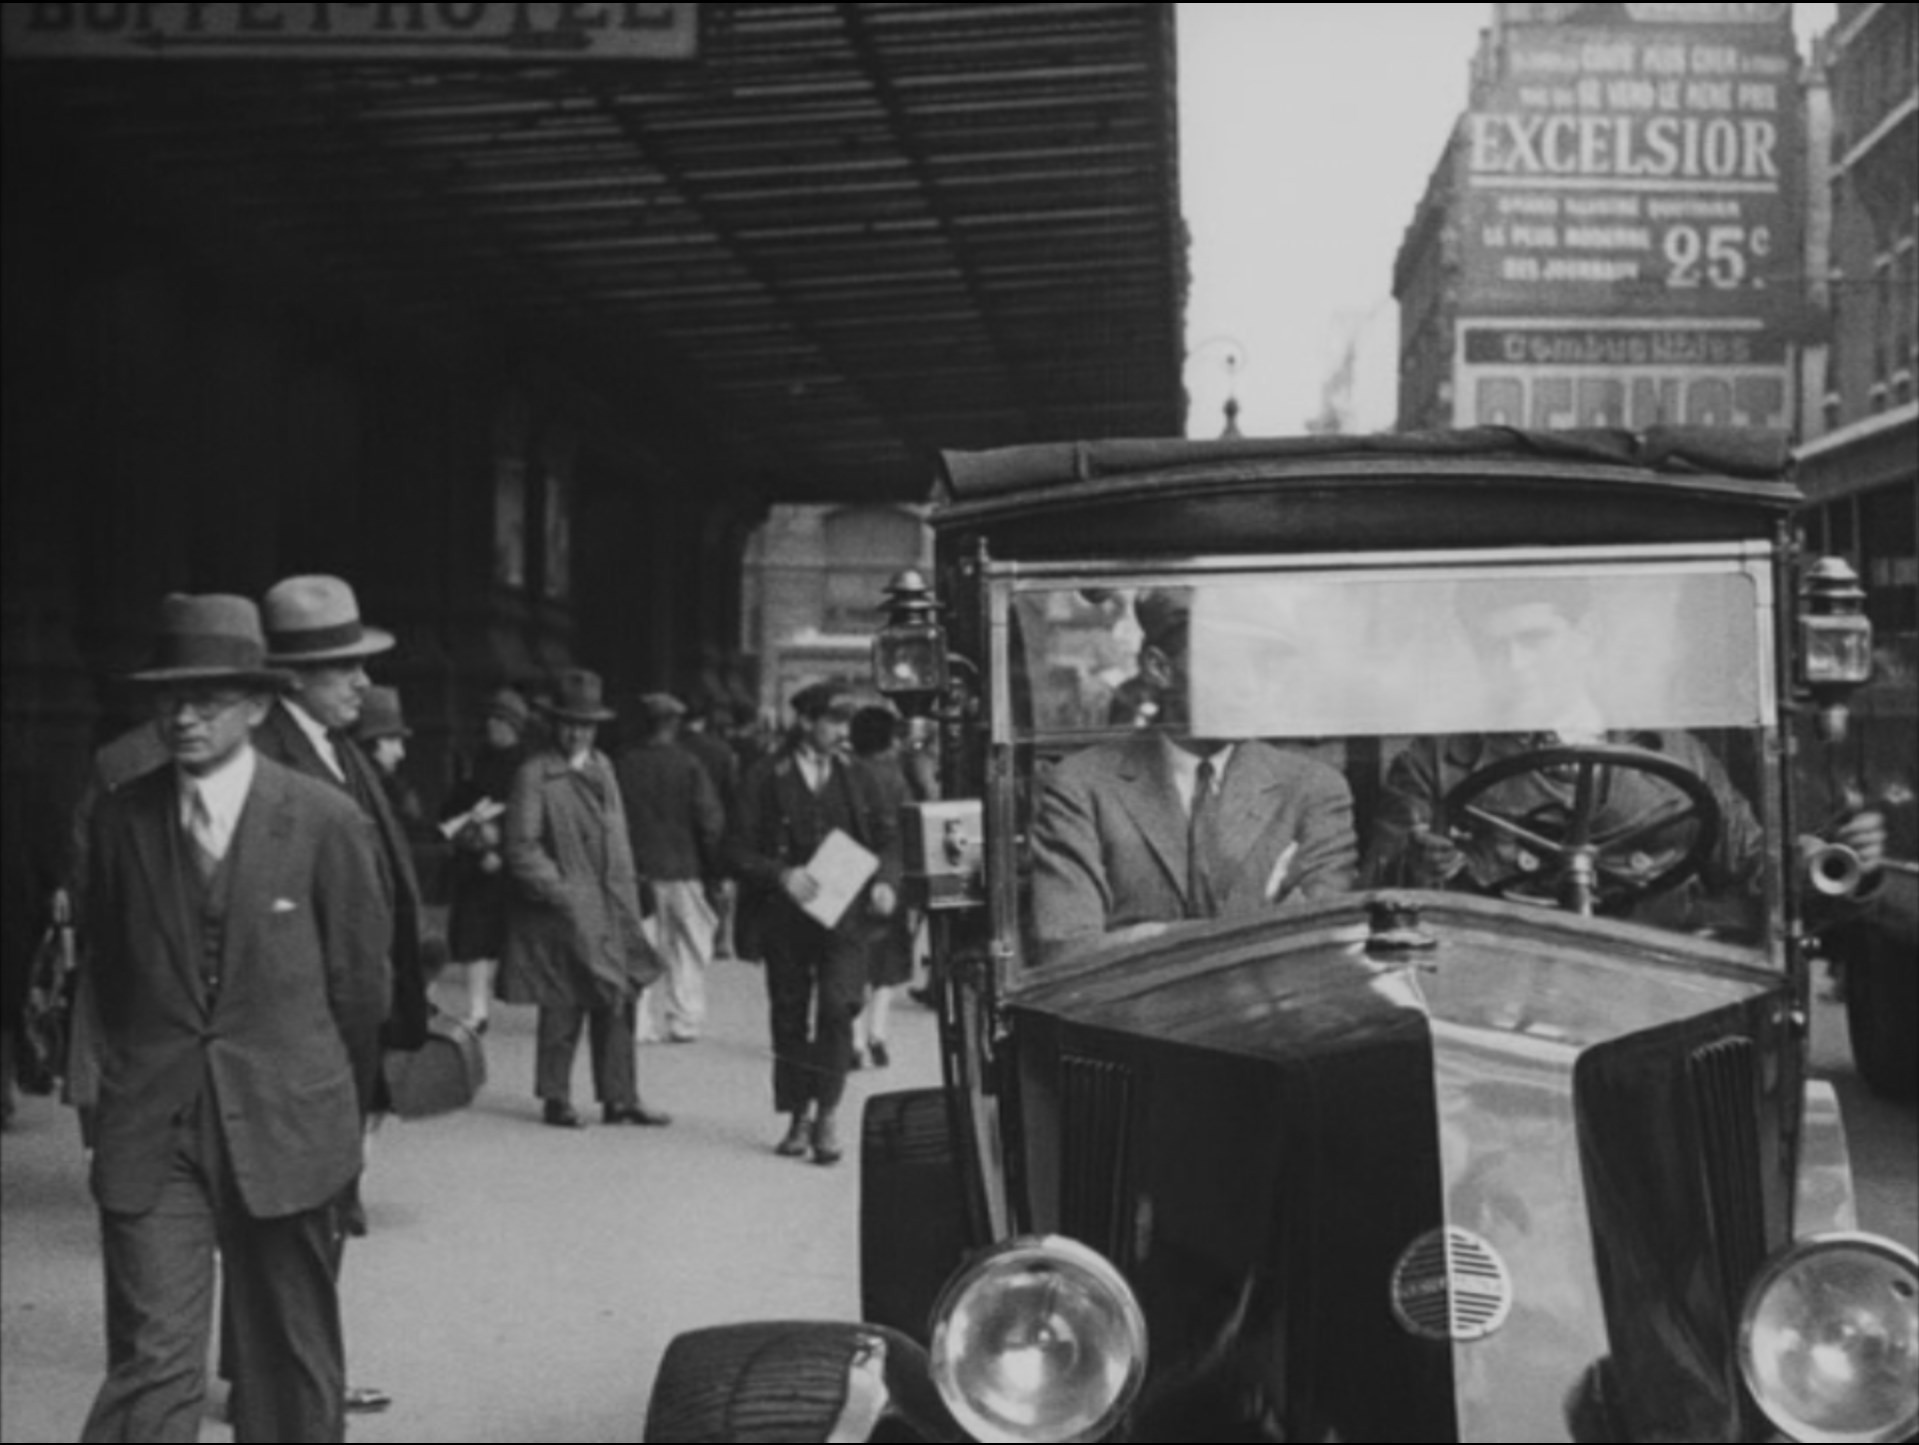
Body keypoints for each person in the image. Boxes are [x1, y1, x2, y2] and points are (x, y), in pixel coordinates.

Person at [74, 593, 390, 1443]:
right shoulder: (121, 816)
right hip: (156, 1125)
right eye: (169, 697)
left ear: (256, 705)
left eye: (207, 698)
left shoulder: (323, 819)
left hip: (290, 1120)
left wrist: (333, 1107)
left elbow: (360, 989)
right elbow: (109, 963)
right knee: (153, 1360)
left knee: (289, 1360)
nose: (182, 716)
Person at [1366, 575, 1886, 926]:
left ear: (1584, 635)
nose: (1515, 666)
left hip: (1656, 996)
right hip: (1491, 1000)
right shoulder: (1434, 768)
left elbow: (1751, 868)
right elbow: (1376, 898)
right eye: (1493, 648)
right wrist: (1419, 870)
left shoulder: (1675, 757)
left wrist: (1821, 862)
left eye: (1535, 640)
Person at [1029, 589, 1358, 960]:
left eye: (1262, 667)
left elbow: (1323, 946)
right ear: (1159, 668)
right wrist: (1251, 934)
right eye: (1225, 664)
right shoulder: (1081, 787)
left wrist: (1144, 937)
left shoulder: (1311, 790)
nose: (1250, 687)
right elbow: (1066, 950)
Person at [727, 682, 902, 1165]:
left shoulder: (860, 776)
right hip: (786, 917)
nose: (843, 732)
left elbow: (890, 840)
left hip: (846, 920)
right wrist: (780, 874)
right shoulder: (765, 776)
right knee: (788, 1014)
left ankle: (827, 1113)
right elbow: (736, 848)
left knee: (836, 1009)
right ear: (806, 722)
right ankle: (797, 1115)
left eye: (846, 723)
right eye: (834, 722)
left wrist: (886, 882)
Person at [499, 669, 670, 1129]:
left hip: (614, 900)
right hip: (566, 907)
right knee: (563, 998)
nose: (577, 733)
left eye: (586, 725)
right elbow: (521, 847)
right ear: (554, 724)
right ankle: (556, 1096)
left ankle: (620, 1097)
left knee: (620, 996)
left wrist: (631, 893)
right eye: (569, 723)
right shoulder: (534, 774)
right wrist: (563, 892)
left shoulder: (603, 767)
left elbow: (618, 836)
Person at [615, 692, 725, 1043]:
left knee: (640, 947)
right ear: (675, 725)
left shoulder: (623, 764)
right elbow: (709, 821)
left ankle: (639, 1021)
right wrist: (716, 869)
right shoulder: (689, 765)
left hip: (637, 870)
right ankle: (683, 1019)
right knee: (687, 947)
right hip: (684, 868)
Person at [440, 687, 530, 1034]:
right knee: (473, 935)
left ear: (514, 727)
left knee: (522, 934)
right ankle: (478, 1009)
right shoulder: (477, 760)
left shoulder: (526, 768)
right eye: (490, 719)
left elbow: (529, 818)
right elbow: (454, 805)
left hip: (513, 866)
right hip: (475, 866)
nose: (493, 726)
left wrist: (503, 853)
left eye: (500, 720)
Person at [848, 705, 914, 1069]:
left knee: (853, 962)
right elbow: (904, 830)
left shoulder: (843, 773)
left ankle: (855, 1039)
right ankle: (878, 1033)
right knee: (886, 965)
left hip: (849, 878)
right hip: (888, 879)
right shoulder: (894, 777)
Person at [679, 692, 742, 960]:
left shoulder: (675, 748)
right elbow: (732, 793)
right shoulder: (722, 751)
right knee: (716, 885)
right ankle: (719, 938)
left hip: (681, 826)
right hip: (714, 822)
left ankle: (689, 935)